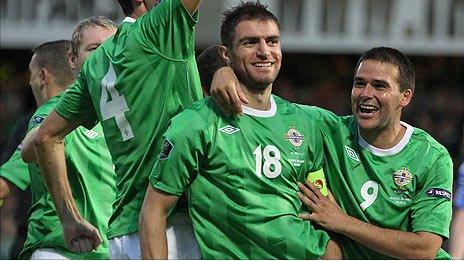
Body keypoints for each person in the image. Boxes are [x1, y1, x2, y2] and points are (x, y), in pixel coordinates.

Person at [139, 2, 340, 259]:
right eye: (250, 43)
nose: (264, 51)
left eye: (272, 41)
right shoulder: (197, 123)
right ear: (226, 54)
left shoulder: (306, 121)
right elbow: (153, 210)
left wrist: (332, 252)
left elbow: (320, 204)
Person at [211, 46, 454, 259]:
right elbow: (265, 104)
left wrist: (343, 222)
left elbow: (425, 249)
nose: (366, 93)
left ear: (405, 97)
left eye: (379, 86)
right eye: (359, 83)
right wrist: (223, 71)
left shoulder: (432, 157)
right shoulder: (329, 130)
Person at [33, 0, 204, 259]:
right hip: (171, 228)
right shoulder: (160, 26)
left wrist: (69, 219)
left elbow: (44, 138)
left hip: (122, 233)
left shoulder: (94, 64)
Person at [16, 39, 116, 259]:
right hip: (103, 247)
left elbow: (34, 145)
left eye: (31, 76)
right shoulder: (110, 115)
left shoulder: (54, 110)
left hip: (60, 249)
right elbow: (33, 147)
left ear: (42, 77)